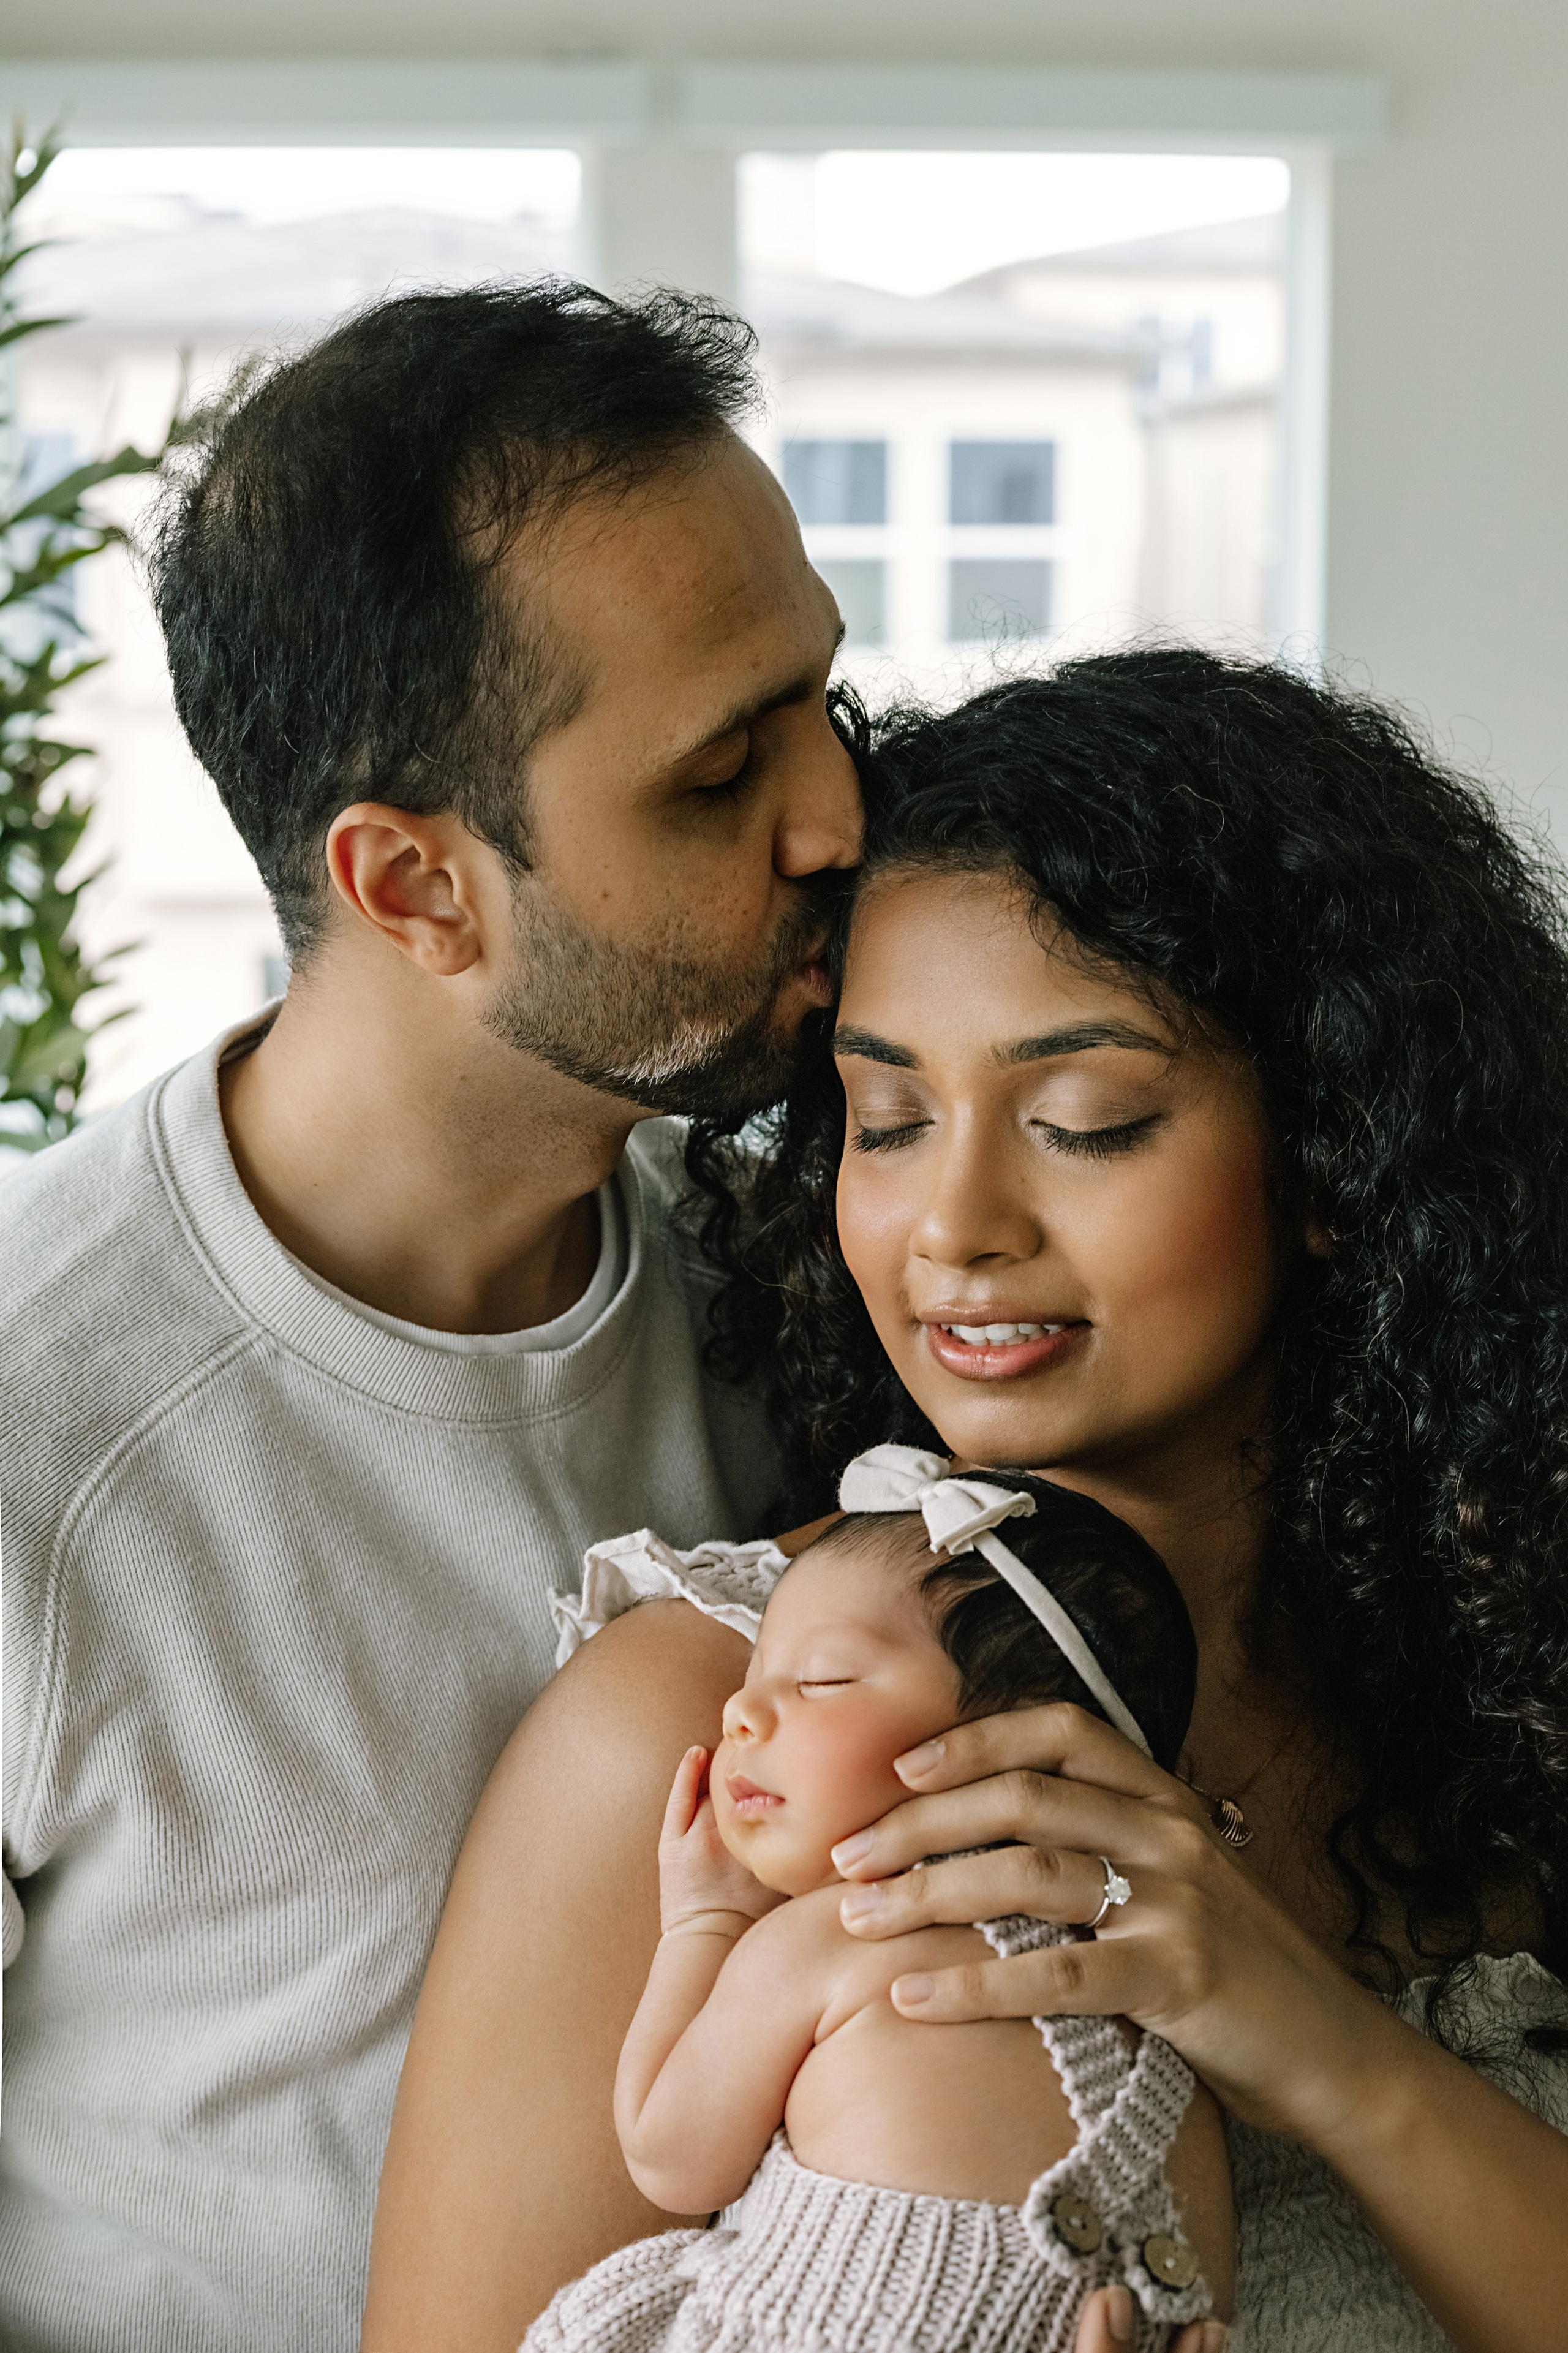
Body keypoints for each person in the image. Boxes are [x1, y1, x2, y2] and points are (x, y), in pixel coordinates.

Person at [368, 652, 1568, 2353]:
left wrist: (1318, 2043)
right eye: (887, 1117)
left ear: (1337, 1155)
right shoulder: (718, 1736)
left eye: (1086, 1120)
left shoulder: (1506, 1674)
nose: (955, 1223)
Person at [0, 281, 859, 2352]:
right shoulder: (35, 1427)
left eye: (826, 702)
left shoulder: (830, 1279)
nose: (837, 816)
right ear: (413, 888)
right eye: (721, 773)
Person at [526, 1449, 1234, 2353]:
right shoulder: (1172, 1992)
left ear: (1012, 1745)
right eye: (756, 1671)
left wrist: (706, 1922)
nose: (742, 1710)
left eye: (817, 1679)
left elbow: (671, 2153)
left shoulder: (836, 1933)